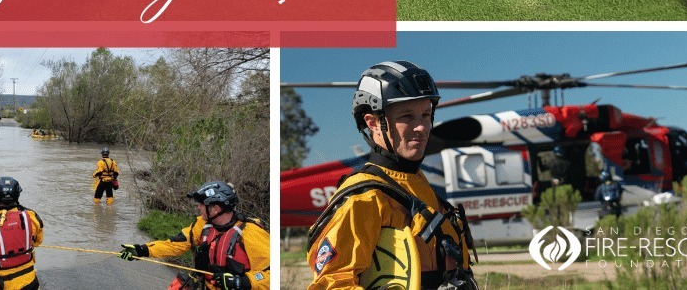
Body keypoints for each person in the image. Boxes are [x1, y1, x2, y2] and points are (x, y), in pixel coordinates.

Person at [307, 61, 476, 290]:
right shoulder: (365, 197)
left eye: (426, 115)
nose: (421, 127)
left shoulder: (417, 184)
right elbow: (333, 283)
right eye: (407, 116)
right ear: (373, 123)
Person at [120, 180, 270, 290]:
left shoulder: (251, 233)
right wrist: (141, 250)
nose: (198, 207)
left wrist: (243, 282)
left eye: (201, 205)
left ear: (215, 209)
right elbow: (174, 244)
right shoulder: (201, 225)